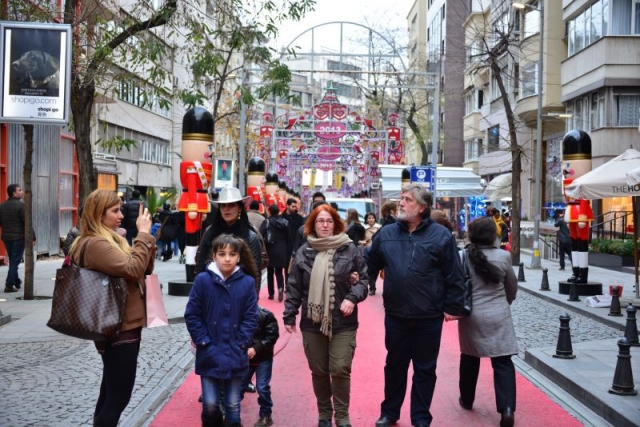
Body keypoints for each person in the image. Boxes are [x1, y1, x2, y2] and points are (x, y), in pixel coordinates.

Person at [365, 184, 466, 427]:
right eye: (401, 199)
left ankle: (420, 417)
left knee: (425, 369)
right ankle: (390, 412)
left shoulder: (441, 236)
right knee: (394, 365)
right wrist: (354, 281)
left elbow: (455, 275)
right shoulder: (387, 233)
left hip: (428, 317)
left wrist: (453, 307)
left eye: (407, 200)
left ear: (421, 208)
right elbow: (368, 263)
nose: (401, 203)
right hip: (396, 314)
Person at [68, 189, 155, 426]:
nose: (120, 215)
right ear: (98, 213)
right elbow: (133, 269)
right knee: (118, 397)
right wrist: (144, 235)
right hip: (118, 326)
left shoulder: (110, 239)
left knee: (109, 393)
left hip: (120, 322)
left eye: (120, 209)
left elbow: (144, 268)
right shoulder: (96, 244)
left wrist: (145, 240)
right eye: (114, 210)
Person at [283, 204, 369, 427]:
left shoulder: (350, 249)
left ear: (336, 224)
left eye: (329, 221)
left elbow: (363, 281)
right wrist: (289, 315)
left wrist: (352, 297)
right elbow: (293, 286)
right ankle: (324, 414)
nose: (325, 225)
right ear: (313, 224)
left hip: (344, 321)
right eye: (320, 221)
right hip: (313, 321)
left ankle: (342, 416)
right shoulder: (304, 252)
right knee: (319, 370)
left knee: (340, 368)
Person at [185, 234, 259, 427]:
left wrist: (242, 342)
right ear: (214, 256)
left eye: (232, 254)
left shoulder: (247, 282)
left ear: (239, 257)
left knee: (233, 405)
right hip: (209, 351)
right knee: (210, 405)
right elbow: (192, 314)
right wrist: (203, 341)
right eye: (222, 253)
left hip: (235, 351)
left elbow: (251, 316)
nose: (227, 258)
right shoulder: (203, 281)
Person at [455, 217, 518, 427]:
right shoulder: (504, 256)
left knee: (470, 357)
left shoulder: (463, 255)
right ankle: (507, 409)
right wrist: (504, 304)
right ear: (493, 235)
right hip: (499, 313)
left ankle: (467, 399)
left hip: (472, 315)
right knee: (503, 362)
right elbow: (512, 287)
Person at [195, 187, 266, 295]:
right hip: (211, 293)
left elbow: (255, 275)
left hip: (240, 295)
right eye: (223, 205)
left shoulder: (250, 235)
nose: (226, 209)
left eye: (231, 205)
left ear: (240, 208)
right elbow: (200, 266)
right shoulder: (210, 232)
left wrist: (252, 303)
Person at [242, 305, 280, 427]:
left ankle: (265, 415)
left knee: (262, 387)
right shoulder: (236, 314)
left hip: (263, 358)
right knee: (237, 387)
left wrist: (256, 348)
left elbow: (272, 336)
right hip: (243, 358)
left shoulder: (266, 315)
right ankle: (232, 416)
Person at [0, 184, 34, 292]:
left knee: (13, 259)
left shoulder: (2, 206)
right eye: (19, 190)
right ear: (14, 193)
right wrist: (32, 237)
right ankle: (9, 284)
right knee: (15, 261)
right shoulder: (21, 206)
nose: (22, 192)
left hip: (6, 238)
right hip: (18, 238)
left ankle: (17, 281)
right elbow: (27, 223)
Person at [260, 203, 291, 301]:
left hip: (270, 248)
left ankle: (271, 294)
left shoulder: (267, 222)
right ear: (278, 212)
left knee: (269, 271)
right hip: (281, 249)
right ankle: (281, 288)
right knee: (279, 271)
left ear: (269, 211)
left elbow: (261, 234)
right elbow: (288, 237)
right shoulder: (285, 223)